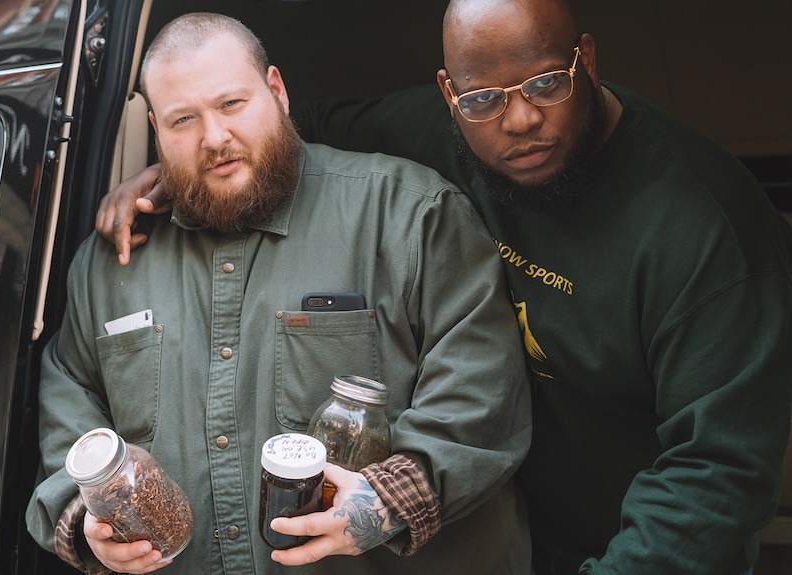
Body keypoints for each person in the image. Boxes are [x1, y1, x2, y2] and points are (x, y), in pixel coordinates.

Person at [98, 1, 792, 574]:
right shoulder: (447, 128)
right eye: (485, 98)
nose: (520, 119)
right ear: (449, 95)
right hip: (524, 529)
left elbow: (718, 471)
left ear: (588, 59)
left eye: (548, 83)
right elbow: (294, 126)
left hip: (659, 547)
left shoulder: (705, 229)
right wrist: (190, 167)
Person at [26, 11, 533, 575]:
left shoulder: (409, 214)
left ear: (277, 91)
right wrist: (84, 520)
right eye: (183, 120)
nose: (214, 137)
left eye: (231, 105)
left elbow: (482, 386)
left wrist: (387, 502)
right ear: (155, 128)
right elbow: (69, 398)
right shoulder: (108, 263)